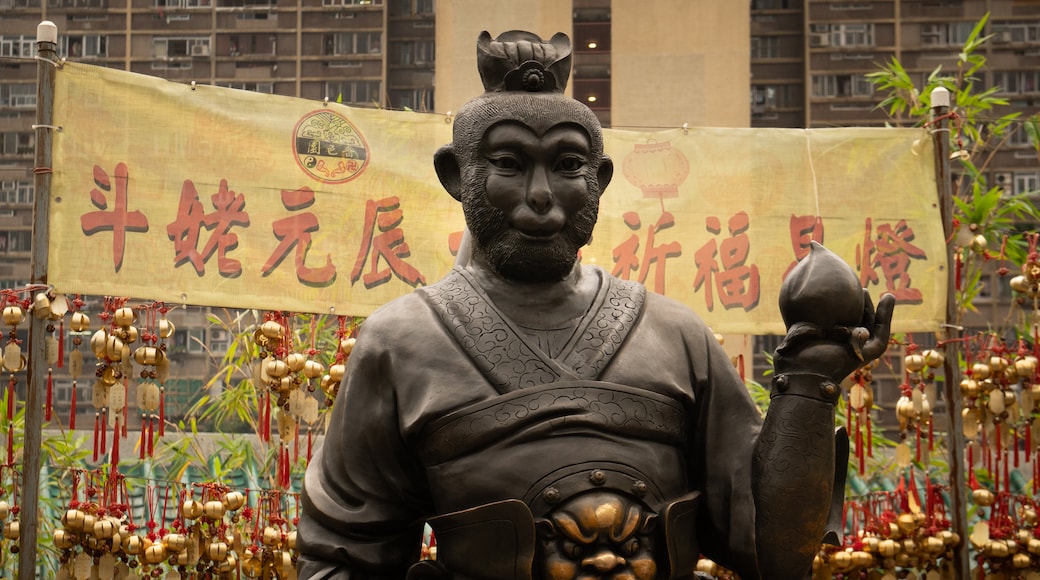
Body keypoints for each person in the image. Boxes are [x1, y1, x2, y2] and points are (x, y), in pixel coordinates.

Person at [297, 30, 894, 580]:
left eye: (567, 166)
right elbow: (341, 555)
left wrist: (811, 381)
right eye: (508, 165)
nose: (541, 197)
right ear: (457, 175)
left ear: (600, 178)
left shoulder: (675, 335)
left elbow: (771, 549)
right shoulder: (401, 342)